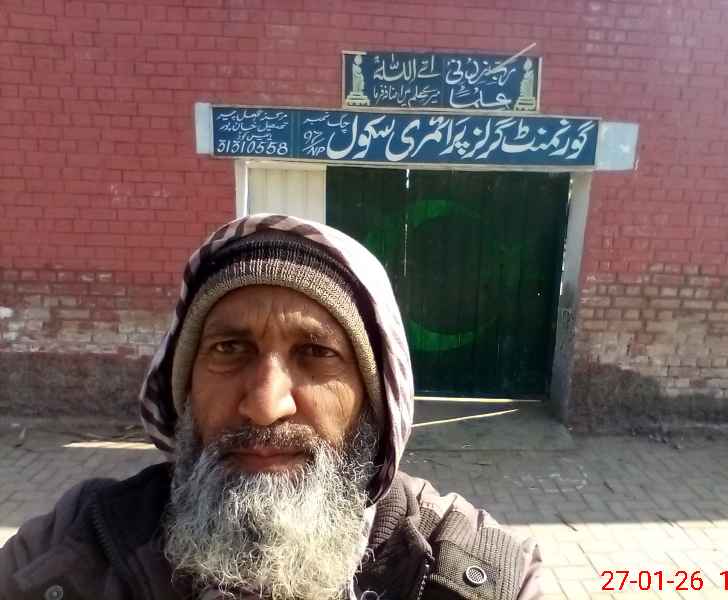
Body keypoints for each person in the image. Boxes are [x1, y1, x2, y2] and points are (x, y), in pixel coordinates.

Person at [0, 214, 541, 600]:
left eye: (316, 353)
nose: (264, 405)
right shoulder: (70, 549)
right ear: (184, 388)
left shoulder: (477, 573)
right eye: (229, 349)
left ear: (374, 399)